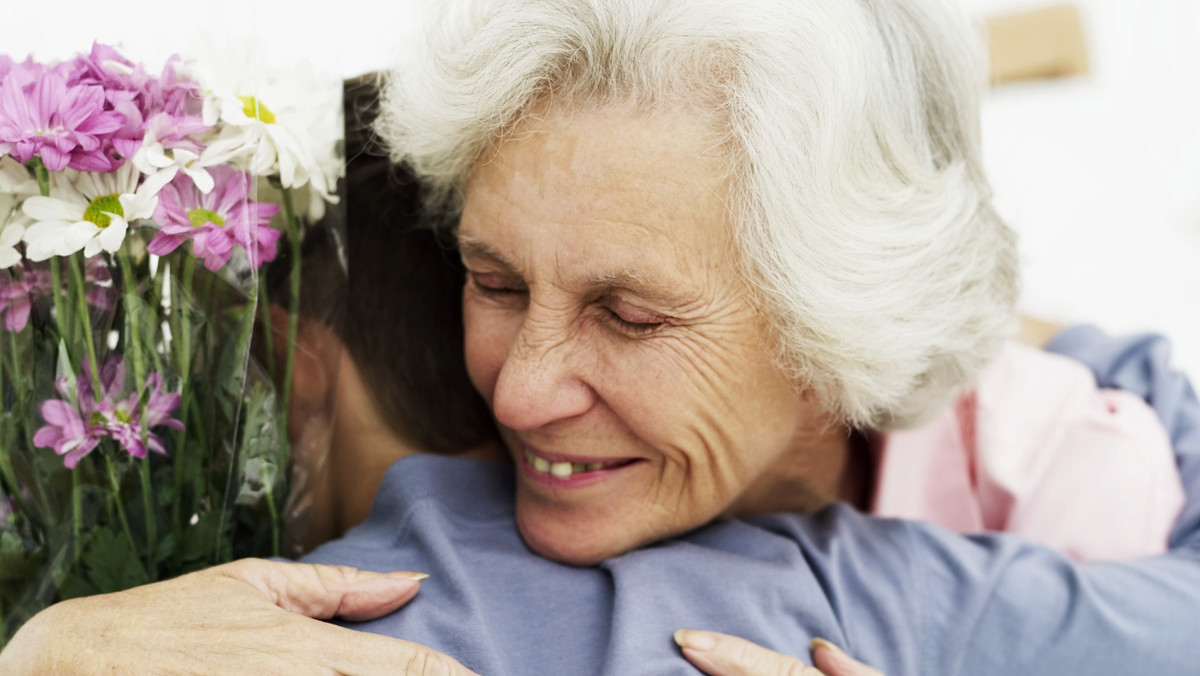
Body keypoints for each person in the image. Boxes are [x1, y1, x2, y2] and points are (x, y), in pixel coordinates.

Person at [4, 2, 1199, 674]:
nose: (517, 397)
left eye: (630, 316)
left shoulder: (1090, 495)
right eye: (495, 279)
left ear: (839, 326)